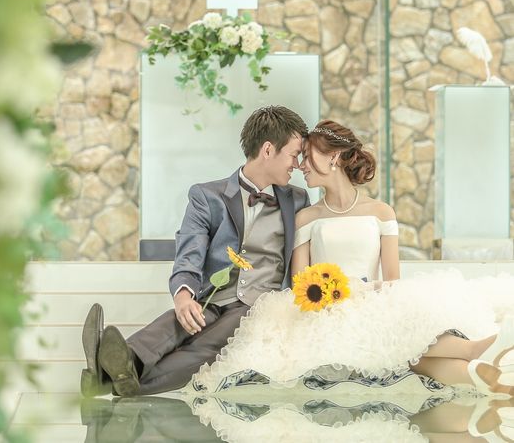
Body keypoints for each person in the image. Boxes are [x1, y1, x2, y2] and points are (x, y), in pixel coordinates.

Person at [191, 120, 514, 397]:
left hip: (375, 302)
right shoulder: (307, 217)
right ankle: (476, 356)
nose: (301, 165)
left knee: (398, 334)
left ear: (333, 157)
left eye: (308, 156)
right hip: (325, 310)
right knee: (403, 351)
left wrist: (364, 292)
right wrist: (333, 296)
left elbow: (393, 281)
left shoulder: (381, 212)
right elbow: (300, 283)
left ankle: (477, 368)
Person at [80, 105, 310, 397]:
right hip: (213, 296)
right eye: (294, 154)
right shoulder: (207, 196)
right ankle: (118, 367)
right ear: (267, 150)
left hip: (259, 305)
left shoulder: (297, 201)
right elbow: (191, 249)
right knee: (178, 322)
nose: (297, 164)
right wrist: (183, 296)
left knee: (209, 343)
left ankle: (106, 376)